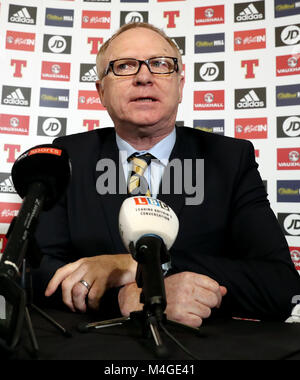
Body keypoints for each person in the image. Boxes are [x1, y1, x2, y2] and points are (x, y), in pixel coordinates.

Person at [33, 22, 300, 328]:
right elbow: (36, 274)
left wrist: (133, 266)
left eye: (160, 64)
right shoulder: (67, 157)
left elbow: (279, 286)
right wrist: (122, 299)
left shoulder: (230, 159)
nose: (144, 77)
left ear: (180, 85)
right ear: (101, 92)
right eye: (124, 66)